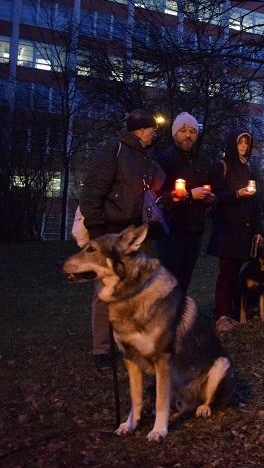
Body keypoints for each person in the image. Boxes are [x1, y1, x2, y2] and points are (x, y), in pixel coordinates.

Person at [78, 108, 164, 367]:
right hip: (110, 232)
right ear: (140, 130)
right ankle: (102, 349)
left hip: (134, 233)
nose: (155, 133)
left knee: (135, 288)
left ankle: (130, 342)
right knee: (106, 290)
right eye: (152, 128)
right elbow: (92, 192)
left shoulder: (147, 157)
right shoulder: (112, 150)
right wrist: (96, 233)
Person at [207, 130, 263, 333]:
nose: (244, 147)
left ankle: (233, 311)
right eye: (241, 143)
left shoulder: (248, 169)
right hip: (227, 228)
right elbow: (215, 196)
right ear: (233, 144)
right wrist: (237, 194)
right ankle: (221, 314)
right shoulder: (222, 167)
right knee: (226, 272)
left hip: (245, 231)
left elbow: (255, 203)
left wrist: (258, 230)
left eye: (247, 143)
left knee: (236, 272)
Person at [157, 112, 215, 295]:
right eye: (183, 131)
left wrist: (209, 199)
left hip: (195, 230)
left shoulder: (201, 161)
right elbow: (158, 197)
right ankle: (165, 320)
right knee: (168, 281)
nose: (188, 135)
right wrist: (189, 195)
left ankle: (180, 317)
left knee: (185, 279)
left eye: (192, 131)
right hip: (171, 229)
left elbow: (207, 189)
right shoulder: (165, 159)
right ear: (175, 133)